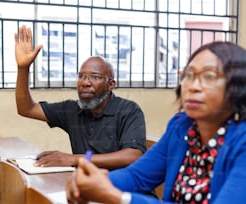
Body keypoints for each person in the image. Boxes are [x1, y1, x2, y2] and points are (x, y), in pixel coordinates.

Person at [66, 41, 246, 203]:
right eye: (188, 76)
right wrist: (91, 182)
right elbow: (136, 176)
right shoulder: (181, 127)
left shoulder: (242, 140)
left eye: (208, 77)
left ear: (237, 86)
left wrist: (120, 198)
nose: (193, 86)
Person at [14, 25, 147, 170]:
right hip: (87, 185)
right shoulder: (72, 109)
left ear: (111, 84)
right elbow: (26, 109)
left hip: (121, 188)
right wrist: (23, 68)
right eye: (81, 76)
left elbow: (132, 156)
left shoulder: (128, 110)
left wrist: (75, 159)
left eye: (94, 77)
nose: (85, 82)